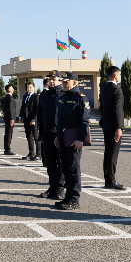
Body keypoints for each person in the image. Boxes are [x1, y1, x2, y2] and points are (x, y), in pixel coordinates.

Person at [54, 72, 90, 210]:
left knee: (74, 169)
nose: (63, 84)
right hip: (63, 139)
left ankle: (74, 199)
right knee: (65, 168)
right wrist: (58, 137)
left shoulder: (81, 99)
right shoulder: (63, 98)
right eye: (62, 82)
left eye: (66, 82)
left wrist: (81, 139)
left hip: (74, 140)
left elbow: (84, 121)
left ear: (74, 83)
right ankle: (68, 197)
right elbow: (60, 121)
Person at [37, 70, 65, 200]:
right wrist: (40, 133)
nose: (51, 81)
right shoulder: (45, 95)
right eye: (50, 79)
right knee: (50, 162)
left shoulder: (64, 95)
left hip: (58, 133)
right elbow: (40, 115)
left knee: (60, 162)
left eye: (54, 79)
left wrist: (61, 134)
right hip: (47, 133)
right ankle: (52, 186)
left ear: (60, 80)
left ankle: (60, 188)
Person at [100, 66, 126, 190]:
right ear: (115, 75)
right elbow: (118, 110)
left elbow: (103, 108)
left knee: (108, 152)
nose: (119, 76)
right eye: (119, 74)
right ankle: (111, 180)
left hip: (106, 125)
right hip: (114, 126)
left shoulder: (105, 89)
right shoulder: (117, 90)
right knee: (113, 153)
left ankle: (107, 179)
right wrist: (119, 127)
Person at [19, 82, 40, 161]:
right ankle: (31, 153)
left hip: (33, 120)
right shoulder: (25, 96)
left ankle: (38, 154)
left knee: (36, 137)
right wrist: (20, 116)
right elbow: (23, 107)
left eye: (30, 87)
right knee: (29, 137)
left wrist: (34, 119)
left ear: (34, 88)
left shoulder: (36, 96)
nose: (29, 89)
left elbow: (37, 109)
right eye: (28, 87)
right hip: (26, 119)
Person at [2, 84, 16, 155]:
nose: (13, 89)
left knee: (7, 133)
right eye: (12, 88)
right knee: (9, 133)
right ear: (9, 89)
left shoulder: (5, 97)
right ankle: (7, 149)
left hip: (6, 118)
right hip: (9, 118)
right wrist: (12, 118)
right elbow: (11, 109)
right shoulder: (10, 98)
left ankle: (6, 147)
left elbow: (4, 109)